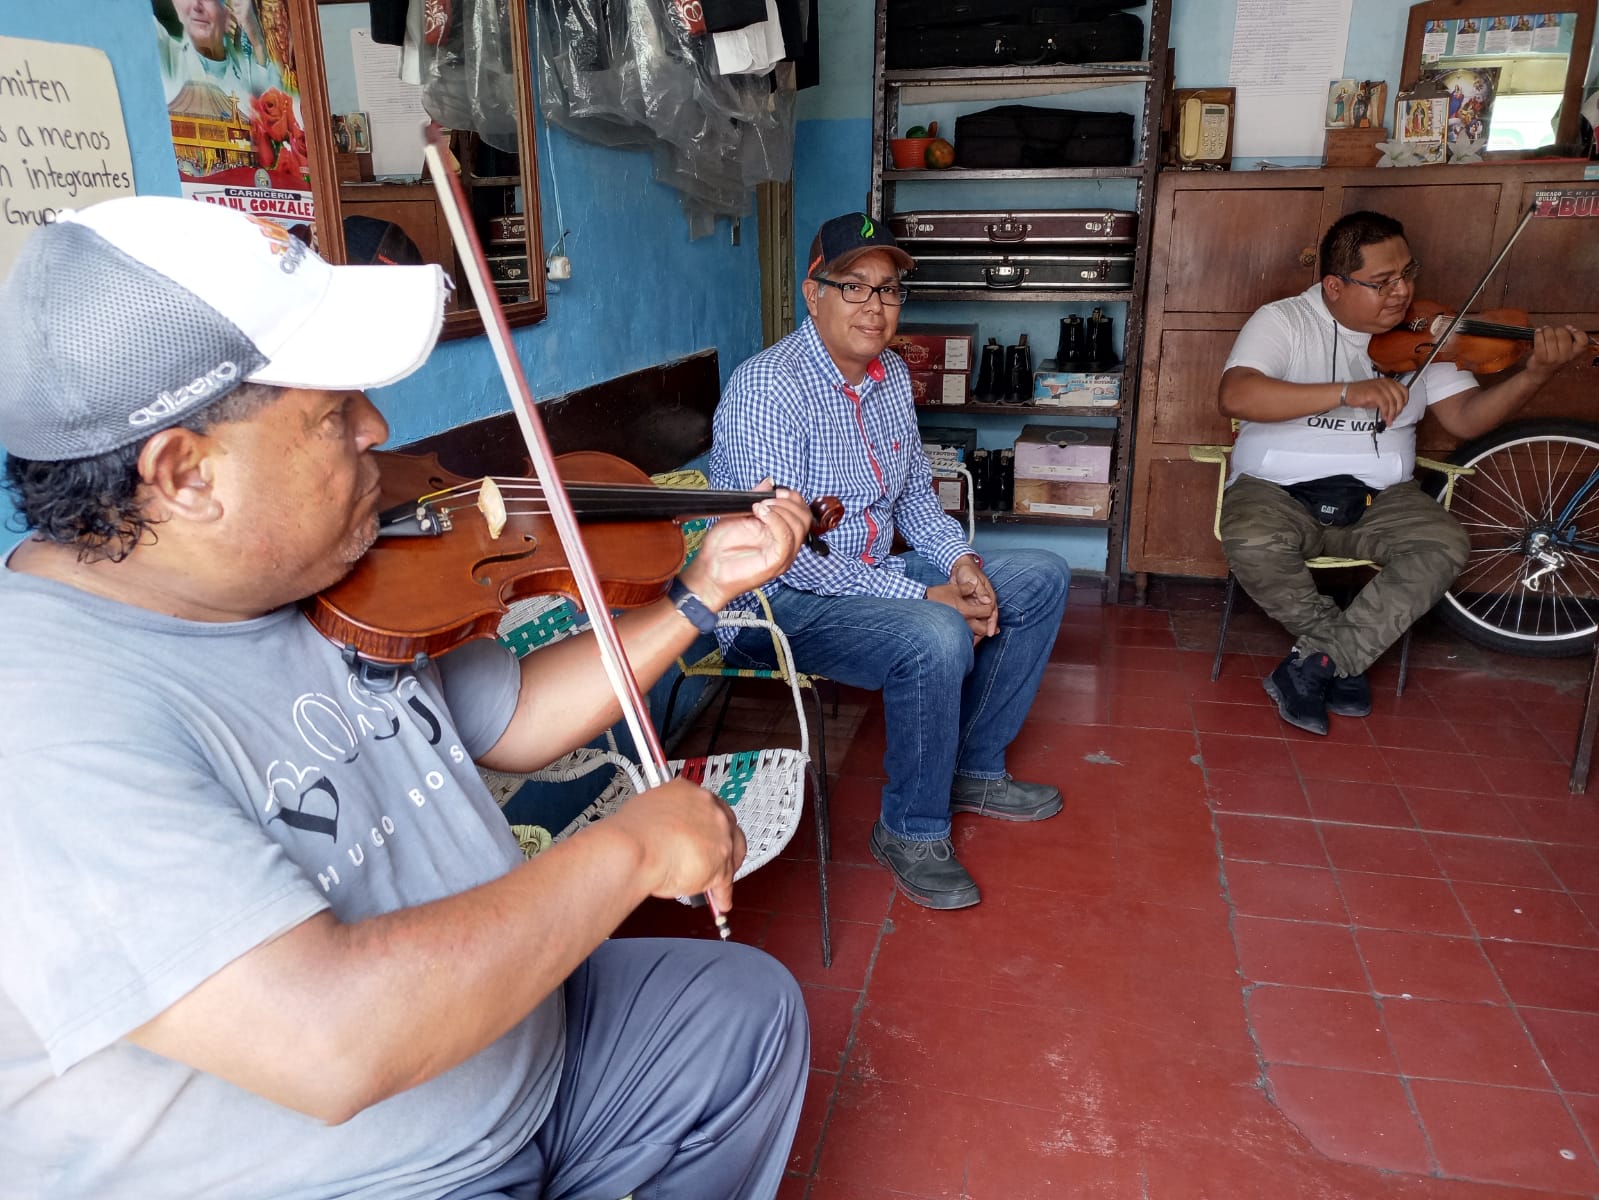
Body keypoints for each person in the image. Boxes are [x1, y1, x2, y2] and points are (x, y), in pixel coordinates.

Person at [0, 196, 813, 1199]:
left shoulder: (320, 577)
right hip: (372, 1174)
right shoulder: (42, 721)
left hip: (517, 1049)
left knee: (741, 1015)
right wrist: (634, 846)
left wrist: (698, 595)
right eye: (335, 412)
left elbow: (513, 719)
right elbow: (329, 1040)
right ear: (183, 474)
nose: (379, 429)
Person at [708, 213, 1071, 911]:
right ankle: (909, 830)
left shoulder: (891, 375)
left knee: (1036, 578)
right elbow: (781, 554)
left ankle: (970, 767)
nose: (875, 306)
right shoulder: (768, 390)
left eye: (889, 290)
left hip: (871, 579)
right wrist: (925, 601)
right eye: (854, 287)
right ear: (811, 293)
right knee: (932, 634)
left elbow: (914, 506)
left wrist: (960, 563)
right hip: (775, 598)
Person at [1217, 209, 1588, 736]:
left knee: (1442, 544)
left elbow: (1465, 419)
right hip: (1275, 491)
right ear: (1334, 285)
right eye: (1382, 282)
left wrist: (1536, 375)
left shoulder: (1429, 334)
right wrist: (1347, 392)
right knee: (1251, 539)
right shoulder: (1283, 321)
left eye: (1408, 274)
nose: (1401, 293)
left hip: (1381, 500)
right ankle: (1341, 656)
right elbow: (1235, 394)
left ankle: (1321, 663)